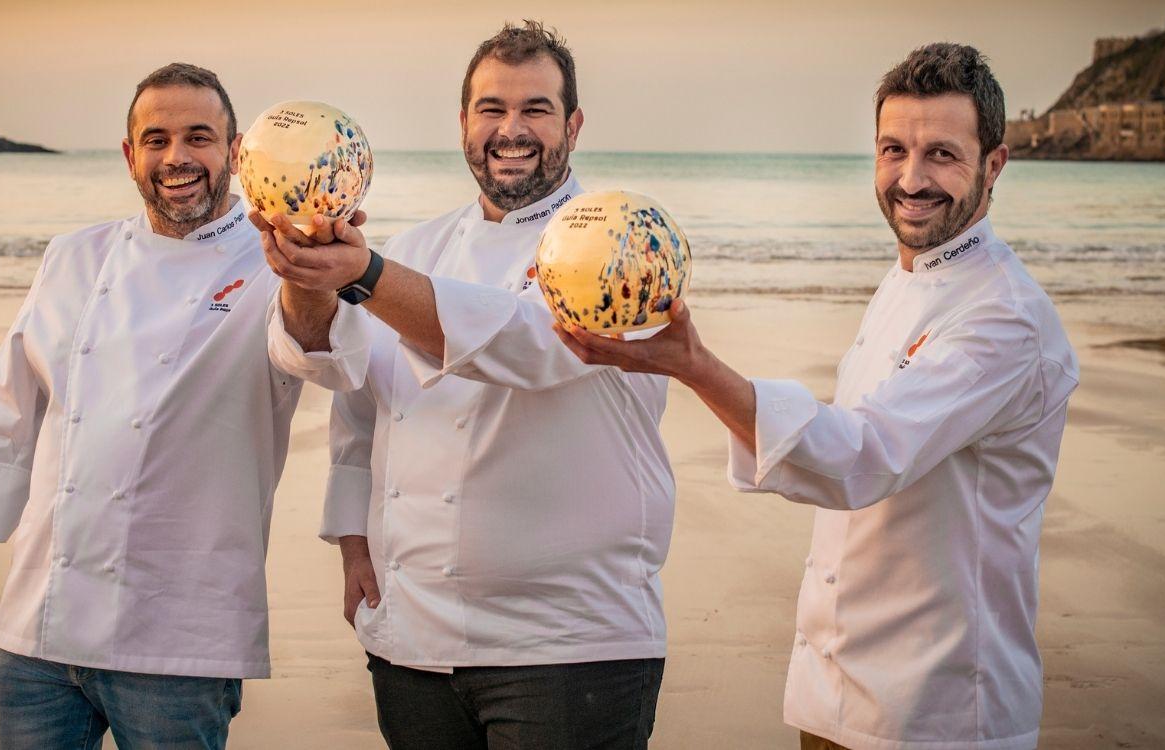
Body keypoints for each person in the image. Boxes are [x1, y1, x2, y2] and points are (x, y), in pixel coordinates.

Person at [554, 43, 1078, 750]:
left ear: (993, 165)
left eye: (942, 155)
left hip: (939, 708)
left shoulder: (1004, 319)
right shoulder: (907, 277)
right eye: (893, 149)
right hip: (835, 691)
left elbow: (861, 457)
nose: (911, 178)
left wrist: (692, 365)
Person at [257, 20, 671, 749]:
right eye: (491, 109)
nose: (511, 130)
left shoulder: (617, 243)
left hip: (567, 644)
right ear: (462, 124)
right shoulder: (416, 249)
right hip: (413, 638)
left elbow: (527, 346)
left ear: (572, 126)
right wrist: (306, 273)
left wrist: (362, 273)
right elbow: (345, 384)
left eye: (535, 110)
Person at [0, 63, 311, 748]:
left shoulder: (276, 265)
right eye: (156, 139)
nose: (176, 158)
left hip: (177, 643)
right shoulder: (74, 257)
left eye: (198, 137)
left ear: (234, 152)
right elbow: (9, 410)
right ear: (128, 155)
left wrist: (320, 267)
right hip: (35, 635)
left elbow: (314, 352)